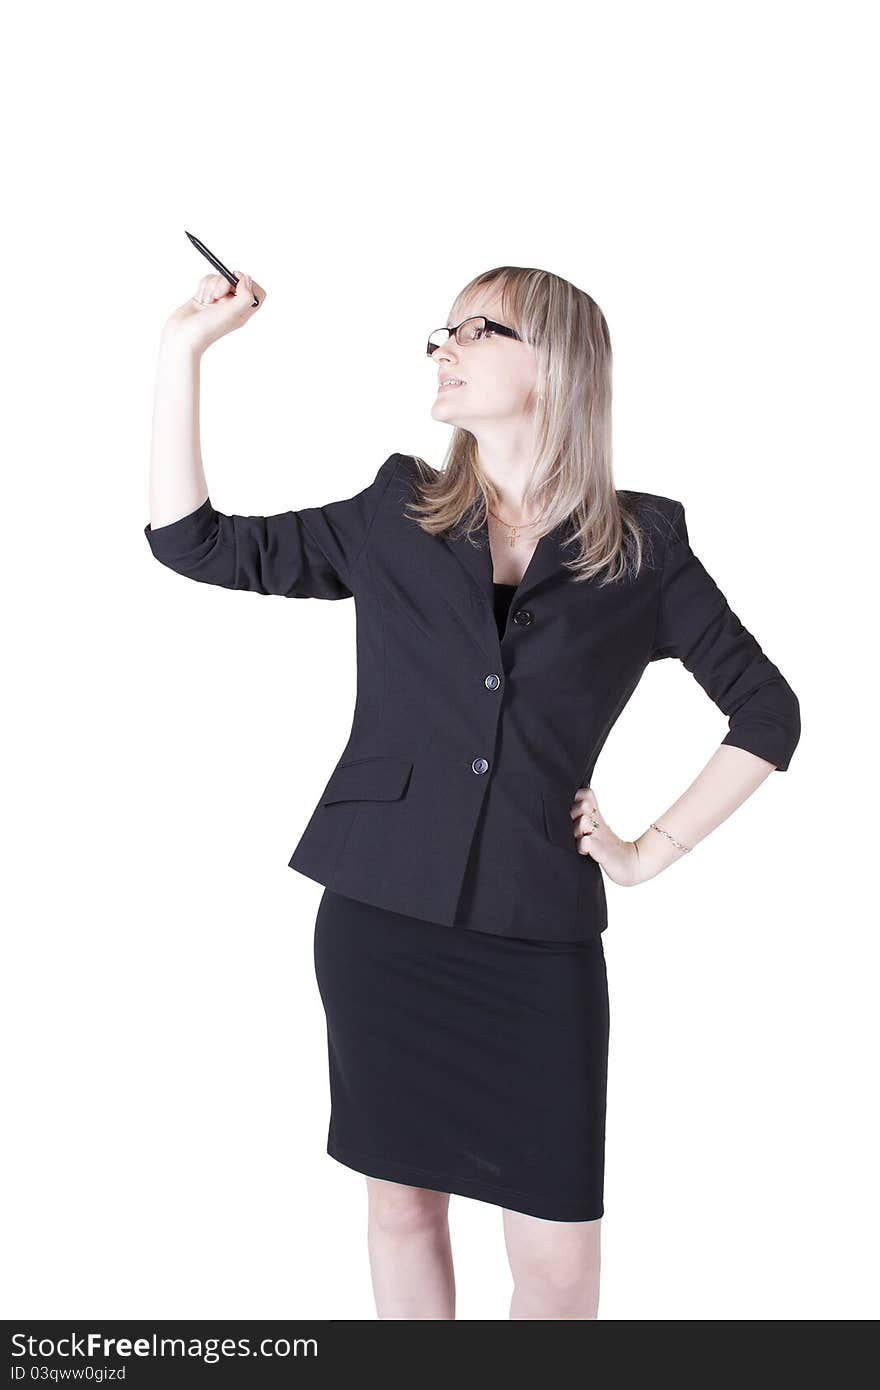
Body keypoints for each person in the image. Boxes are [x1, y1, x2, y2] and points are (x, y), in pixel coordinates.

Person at [144, 264, 801, 1319]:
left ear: (555, 362)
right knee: (400, 1209)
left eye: (475, 328)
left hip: (535, 935)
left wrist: (646, 852)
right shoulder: (394, 511)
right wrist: (183, 353)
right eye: (439, 332)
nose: (442, 347)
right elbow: (196, 544)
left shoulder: (642, 548)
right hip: (380, 916)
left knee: (558, 1267)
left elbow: (767, 714)